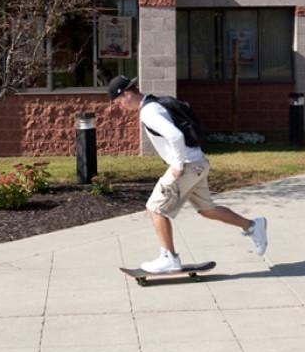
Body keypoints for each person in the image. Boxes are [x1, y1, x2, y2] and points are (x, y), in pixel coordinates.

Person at [106, 76, 267, 273]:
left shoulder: (148, 111)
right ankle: (252, 225)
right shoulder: (156, 102)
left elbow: (175, 135)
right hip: (198, 162)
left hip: (188, 166)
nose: (120, 107)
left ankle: (169, 258)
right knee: (206, 209)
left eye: (119, 102)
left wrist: (177, 164)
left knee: (155, 208)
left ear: (127, 94)